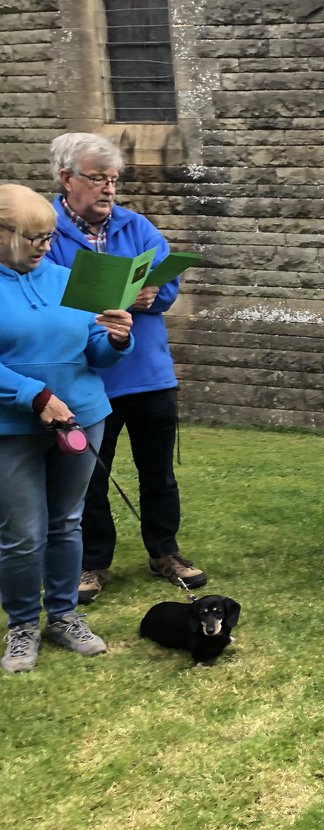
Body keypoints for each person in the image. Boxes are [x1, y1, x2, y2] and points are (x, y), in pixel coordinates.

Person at [45, 133, 204, 604]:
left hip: (149, 372)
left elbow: (167, 281)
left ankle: (165, 551)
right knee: (90, 475)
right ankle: (93, 561)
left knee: (158, 472)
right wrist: (99, 305)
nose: (109, 189)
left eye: (114, 180)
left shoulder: (137, 227)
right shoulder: (45, 232)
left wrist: (156, 295)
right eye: (98, 179)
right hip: (87, 376)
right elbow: (43, 295)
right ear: (66, 178)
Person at [0, 183, 134, 674]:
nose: (45, 246)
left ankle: (63, 615)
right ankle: (21, 624)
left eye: (49, 236)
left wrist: (116, 339)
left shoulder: (69, 278)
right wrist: (33, 395)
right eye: (34, 238)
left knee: (66, 523)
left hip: (82, 417)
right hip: (11, 428)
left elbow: (95, 349)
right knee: (21, 534)